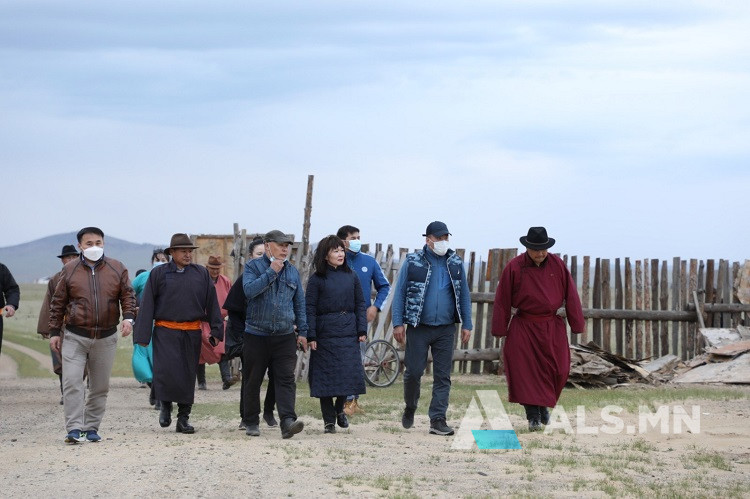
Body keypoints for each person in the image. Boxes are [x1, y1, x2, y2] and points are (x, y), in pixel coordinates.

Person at [491, 227, 584, 431]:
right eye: (536, 250)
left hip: (551, 327)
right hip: (524, 327)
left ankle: (543, 407)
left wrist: (577, 323)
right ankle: (533, 416)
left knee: (558, 369)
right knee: (526, 373)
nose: (541, 254)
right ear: (527, 248)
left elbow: (571, 294)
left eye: (544, 249)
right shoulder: (515, 267)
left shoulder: (557, 265)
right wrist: (500, 328)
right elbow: (502, 298)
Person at [48, 227, 136, 444]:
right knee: (72, 382)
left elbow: (128, 295)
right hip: (75, 336)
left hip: (106, 337)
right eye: (89, 243)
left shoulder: (117, 268)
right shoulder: (69, 270)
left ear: (104, 243)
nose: (94, 247)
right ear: (80, 246)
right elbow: (58, 302)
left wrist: (128, 318)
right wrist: (54, 332)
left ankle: (91, 428)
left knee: (100, 386)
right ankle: (74, 428)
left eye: (98, 243)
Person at [134, 233, 224, 434]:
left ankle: (183, 418)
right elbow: (147, 304)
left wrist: (216, 330)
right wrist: (142, 335)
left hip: (191, 333)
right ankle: (165, 406)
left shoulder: (201, 274)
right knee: (166, 371)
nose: (187, 254)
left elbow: (212, 303)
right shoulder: (158, 274)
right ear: (172, 252)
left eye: (190, 251)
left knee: (187, 375)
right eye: (183, 251)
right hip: (165, 331)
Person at [391, 221, 472, 436]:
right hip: (419, 327)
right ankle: (410, 406)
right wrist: (398, 323)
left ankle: (438, 419)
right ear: (428, 240)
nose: (443, 241)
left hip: (446, 328)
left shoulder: (455, 262)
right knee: (413, 372)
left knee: (443, 376)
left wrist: (467, 323)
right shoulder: (413, 261)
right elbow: (400, 293)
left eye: (446, 237)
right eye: (439, 238)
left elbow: (464, 294)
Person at [241, 230, 308, 439]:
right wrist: (271, 272)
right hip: (256, 334)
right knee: (253, 379)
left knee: (286, 379)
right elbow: (249, 291)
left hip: (284, 335)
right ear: (268, 245)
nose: (285, 249)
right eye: (281, 245)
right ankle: (251, 421)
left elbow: (300, 304)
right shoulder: (253, 267)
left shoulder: (292, 272)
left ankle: (287, 422)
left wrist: (303, 332)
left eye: (287, 246)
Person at [305, 235, 367, 434]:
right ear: (325, 255)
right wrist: (311, 335)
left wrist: (361, 329)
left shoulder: (352, 276)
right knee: (325, 378)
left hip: (348, 331)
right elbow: (310, 308)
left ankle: (340, 410)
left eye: (342, 250)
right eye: (335, 251)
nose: (340, 254)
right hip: (324, 333)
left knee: (346, 375)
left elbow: (360, 304)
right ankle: (328, 421)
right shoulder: (316, 280)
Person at [223, 238, 277, 430]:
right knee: (251, 377)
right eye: (259, 254)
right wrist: (243, 337)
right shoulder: (244, 281)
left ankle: (269, 411)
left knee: (278, 374)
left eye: (267, 254)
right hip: (251, 336)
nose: (263, 258)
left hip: (276, 335)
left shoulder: (281, 277)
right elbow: (234, 311)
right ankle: (246, 416)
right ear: (251, 257)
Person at [336, 225, 391, 416]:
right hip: (336, 319)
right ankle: (339, 400)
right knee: (338, 358)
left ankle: (352, 401)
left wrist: (375, 307)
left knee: (357, 357)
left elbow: (385, 286)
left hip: (359, 319)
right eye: (353, 238)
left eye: (359, 237)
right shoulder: (335, 261)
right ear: (343, 241)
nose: (357, 241)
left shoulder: (369, 261)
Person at [37, 244, 79, 404]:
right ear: (62, 261)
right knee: (60, 360)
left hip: (82, 324)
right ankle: (65, 393)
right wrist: (46, 328)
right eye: (67, 257)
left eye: (73, 257)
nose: (71, 260)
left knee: (81, 361)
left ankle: (78, 391)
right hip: (61, 325)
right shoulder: (55, 279)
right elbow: (49, 303)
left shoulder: (86, 276)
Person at [131, 248, 169, 409]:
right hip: (143, 325)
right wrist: (133, 309)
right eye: (157, 259)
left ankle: (158, 395)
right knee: (141, 361)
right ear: (152, 261)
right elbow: (128, 294)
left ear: (169, 262)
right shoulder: (143, 277)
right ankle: (153, 388)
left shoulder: (173, 278)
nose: (160, 262)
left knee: (160, 361)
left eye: (163, 260)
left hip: (164, 326)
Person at [196, 256, 233, 390]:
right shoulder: (200, 281)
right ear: (207, 268)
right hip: (203, 322)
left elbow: (231, 299)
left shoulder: (226, 281)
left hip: (220, 323)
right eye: (212, 268)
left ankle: (226, 379)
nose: (215, 271)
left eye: (217, 269)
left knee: (221, 350)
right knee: (200, 352)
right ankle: (201, 382)